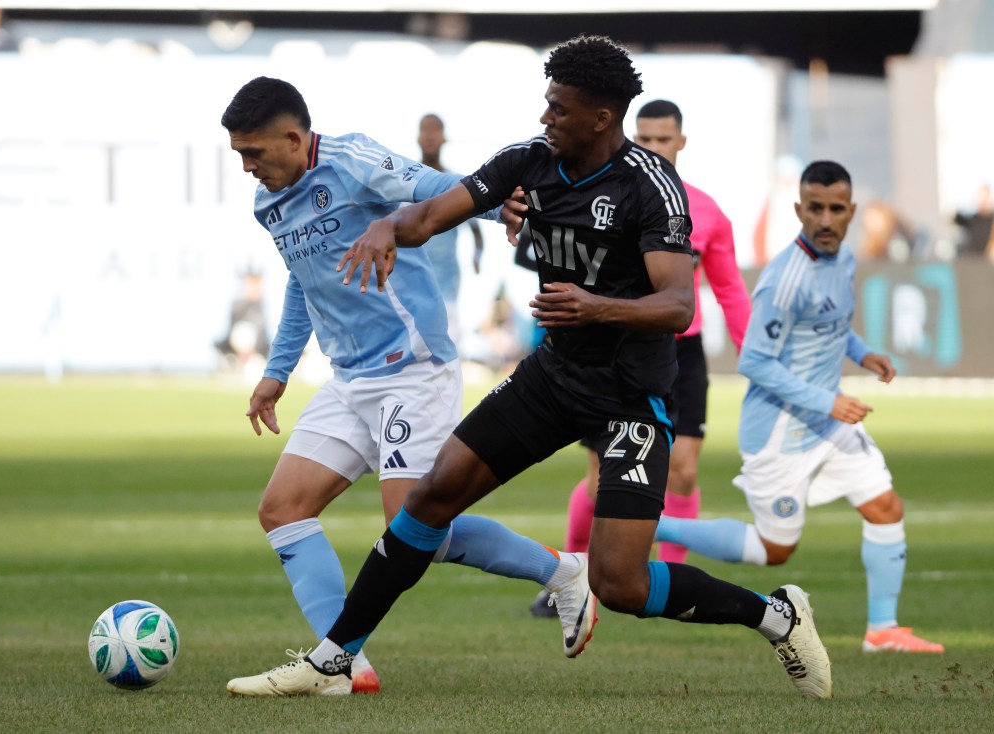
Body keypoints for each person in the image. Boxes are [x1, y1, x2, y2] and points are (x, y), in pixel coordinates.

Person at [238, 36, 833, 699]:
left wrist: (595, 306)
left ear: (602, 117)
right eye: (546, 104)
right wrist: (390, 227)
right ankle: (334, 659)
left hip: (630, 400)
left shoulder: (651, 187)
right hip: (551, 378)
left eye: (560, 108)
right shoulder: (530, 160)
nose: (546, 118)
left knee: (622, 584)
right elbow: (438, 208)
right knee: (430, 500)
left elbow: (674, 305)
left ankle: (776, 615)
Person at [219, 76, 595, 696]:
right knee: (282, 510)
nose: (247, 168)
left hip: (410, 372)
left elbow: (440, 189)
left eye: (253, 153)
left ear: (293, 137)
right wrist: (277, 372)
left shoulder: (353, 160)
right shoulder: (270, 204)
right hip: (350, 381)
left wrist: (497, 206)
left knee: (416, 530)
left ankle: (560, 571)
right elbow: (302, 283)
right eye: (239, 156)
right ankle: (343, 669)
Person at [652, 160, 944, 655]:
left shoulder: (845, 260)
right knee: (775, 551)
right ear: (798, 210)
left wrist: (861, 353)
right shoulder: (784, 279)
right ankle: (646, 524)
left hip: (826, 424)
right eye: (815, 208)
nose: (825, 220)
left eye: (835, 209)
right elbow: (756, 363)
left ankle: (882, 630)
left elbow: (832, 325)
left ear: (851, 212)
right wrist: (828, 401)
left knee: (884, 506)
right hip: (780, 431)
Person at [529, 98, 752, 618]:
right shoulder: (615, 192)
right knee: (601, 475)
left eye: (663, 140)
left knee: (686, 473)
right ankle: (572, 574)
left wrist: (752, 357)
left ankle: (668, 575)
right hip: (618, 347)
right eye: (645, 139)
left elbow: (730, 290)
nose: (654, 148)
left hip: (683, 349)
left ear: (681, 142)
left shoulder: (708, 211)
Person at [417, 113, 485, 345]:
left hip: (446, 284)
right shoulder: (404, 181)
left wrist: (477, 256)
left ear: (444, 138)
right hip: (410, 282)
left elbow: (476, 230)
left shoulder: (455, 186)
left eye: (435, 130)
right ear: (417, 137)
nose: (429, 136)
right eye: (425, 130)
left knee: (447, 346)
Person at [953, 183, 994, 260]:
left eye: (985, 198)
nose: (983, 201)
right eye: (981, 198)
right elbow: (956, 218)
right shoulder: (972, 219)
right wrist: (969, 204)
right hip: (973, 259)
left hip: (987, 259)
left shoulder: (991, 219)